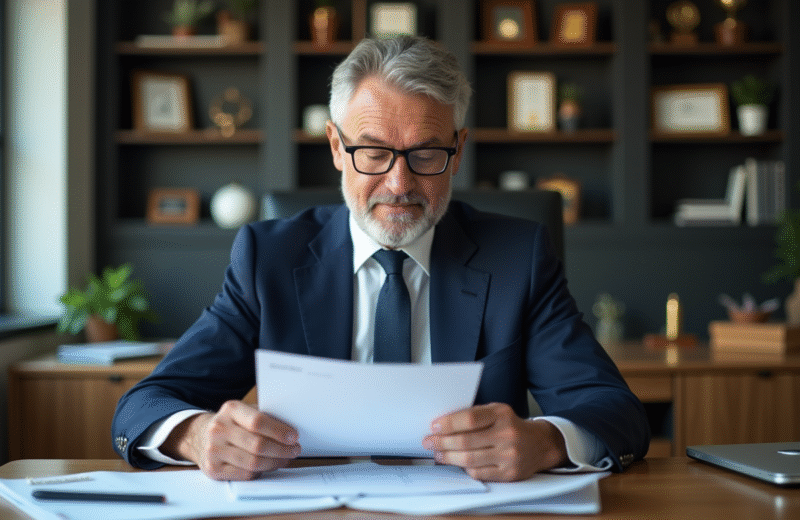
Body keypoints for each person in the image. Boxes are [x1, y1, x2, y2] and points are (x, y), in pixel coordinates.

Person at [112, 35, 649, 483]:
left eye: (425, 154)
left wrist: (546, 441)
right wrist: (196, 435)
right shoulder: (268, 258)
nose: (399, 183)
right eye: (373, 152)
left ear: (458, 151)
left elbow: (614, 412)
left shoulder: (518, 258)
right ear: (334, 147)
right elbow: (146, 403)